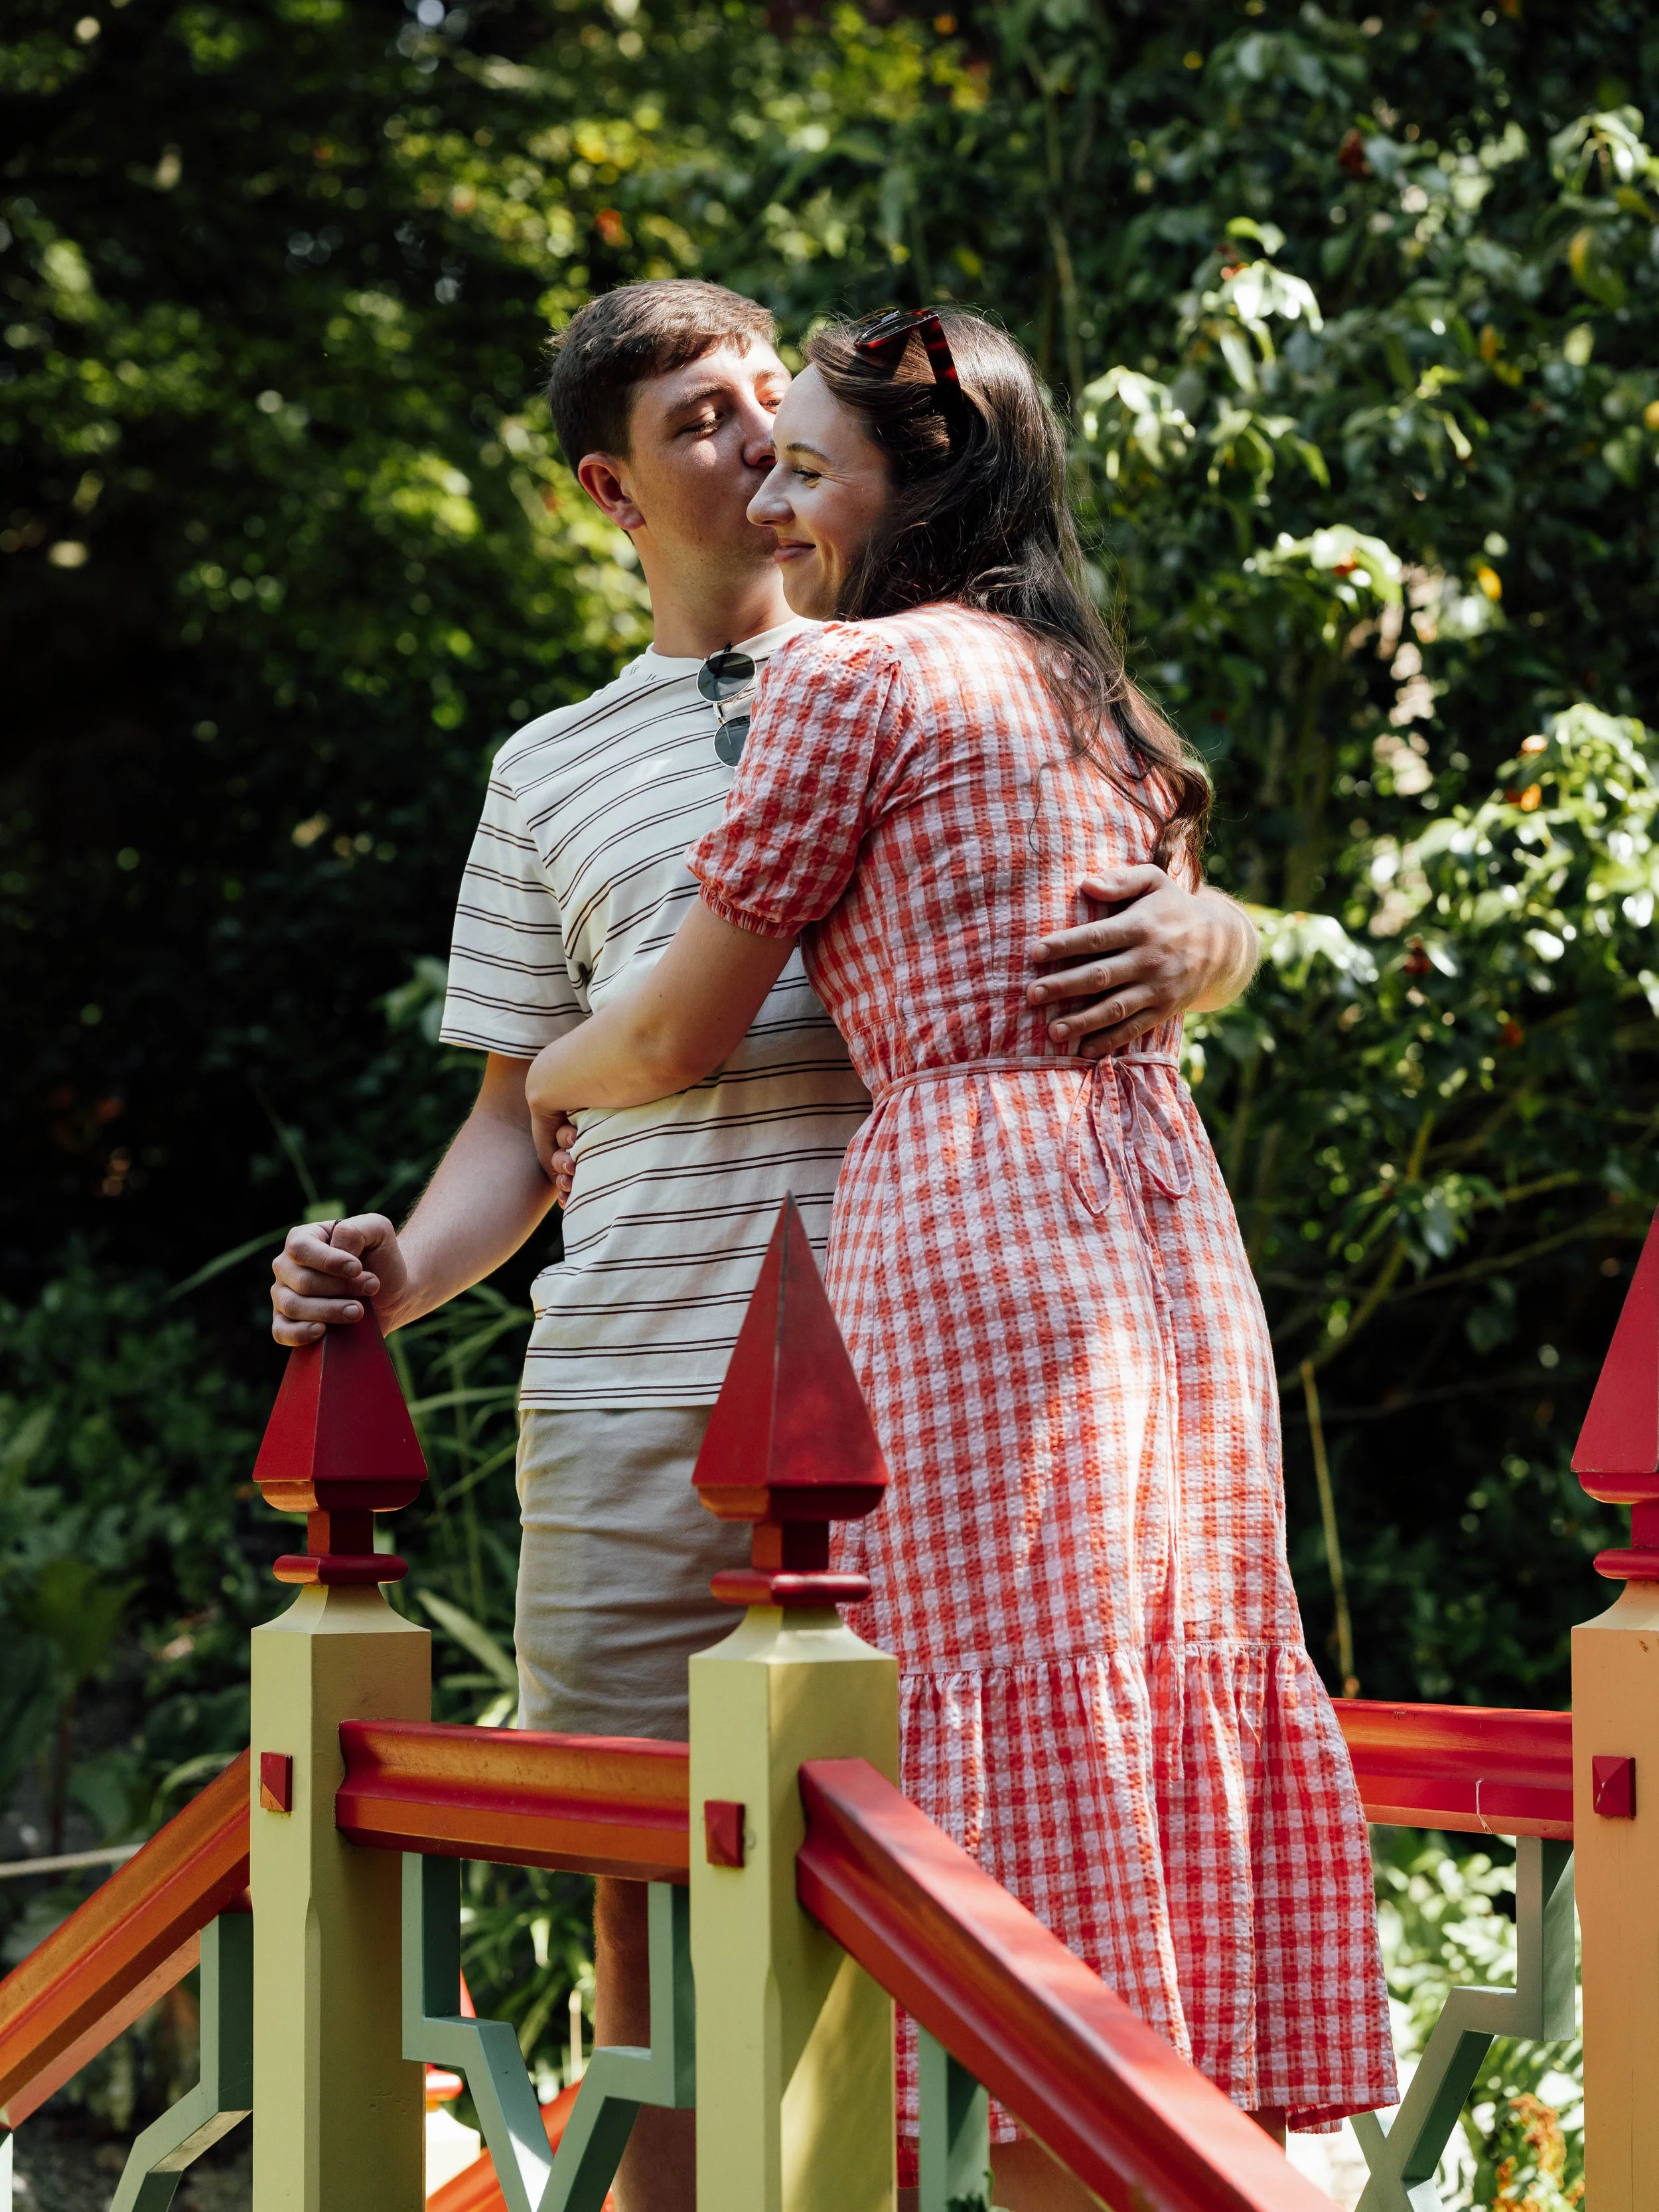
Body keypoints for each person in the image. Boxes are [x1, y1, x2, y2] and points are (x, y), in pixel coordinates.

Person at [268, 281, 1260, 2212]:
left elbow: (1150, 889)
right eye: (701, 425)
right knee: (647, 1903)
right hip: (640, 1379)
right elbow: (517, 1128)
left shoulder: (960, 677)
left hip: (929, 1404)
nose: (748, 448)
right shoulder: (546, 769)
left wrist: (1215, 942)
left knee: (957, 1873)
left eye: (767, 414)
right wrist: (393, 1268)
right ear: (608, 488)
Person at [518, 306, 1394, 2211]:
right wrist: (1214, 936)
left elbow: (667, 1032)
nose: (776, 495)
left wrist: (562, 1081)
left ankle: (1009, 2140)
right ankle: (1163, 2133)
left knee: (971, 1698)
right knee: (1151, 1669)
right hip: (1159, 1219)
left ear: (918, 486)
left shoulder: (846, 679)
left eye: (809, 465)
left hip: (973, 1221)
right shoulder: (1092, 693)